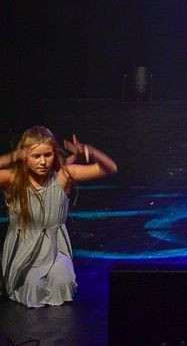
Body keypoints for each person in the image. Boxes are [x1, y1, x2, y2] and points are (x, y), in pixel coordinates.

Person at [1, 128, 117, 307]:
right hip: (24, 248)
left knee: (64, 283)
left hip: (56, 248)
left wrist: (89, 151)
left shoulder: (64, 176)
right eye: (35, 156)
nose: (42, 162)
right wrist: (12, 157)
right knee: (33, 286)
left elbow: (110, 169)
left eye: (47, 155)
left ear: (54, 154)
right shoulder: (14, 180)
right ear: (25, 157)